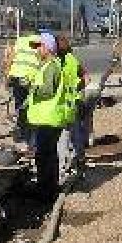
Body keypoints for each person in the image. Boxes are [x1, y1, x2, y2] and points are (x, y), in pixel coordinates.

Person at [26, 33, 82, 198]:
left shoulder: (51, 66)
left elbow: (48, 90)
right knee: (49, 154)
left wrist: (30, 86)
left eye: (39, 46)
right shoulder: (50, 65)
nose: (37, 50)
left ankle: (45, 190)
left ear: (47, 48)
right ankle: (49, 188)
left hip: (48, 119)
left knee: (44, 155)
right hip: (49, 118)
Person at [3, 28, 43, 150]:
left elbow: (9, 60)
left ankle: (23, 135)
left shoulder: (20, 41)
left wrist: (7, 78)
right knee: (32, 107)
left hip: (16, 77)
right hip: (31, 78)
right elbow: (44, 59)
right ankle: (31, 138)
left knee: (20, 106)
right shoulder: (40, 41)